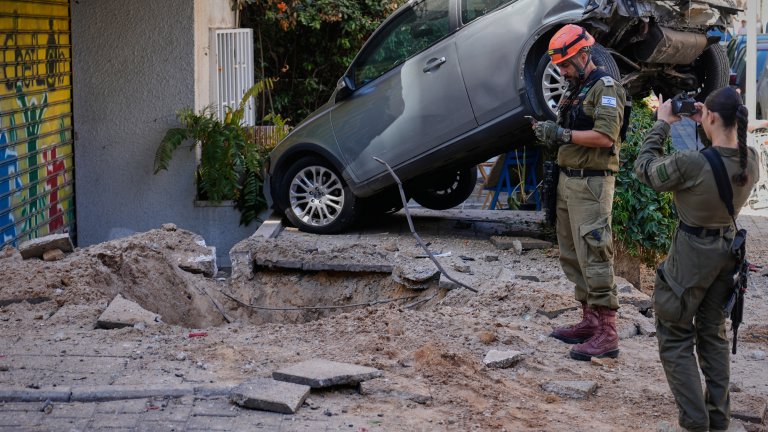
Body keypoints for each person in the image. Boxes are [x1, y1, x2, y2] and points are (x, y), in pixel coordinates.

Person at [633, 86, 759, 432]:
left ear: (712, 117)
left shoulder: (691, 164)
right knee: (713, 335)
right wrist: (707, 124)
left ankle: (695, 423)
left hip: (691, 256)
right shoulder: (750, 160)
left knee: (674, 336)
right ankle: (718, 421)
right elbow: (717, 159)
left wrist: (663, 123)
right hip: (726, 253)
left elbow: (645, 169)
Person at [532, 24, 626, 361]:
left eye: (566, 65)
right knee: (573, 254)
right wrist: (550, 132)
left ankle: (608, 333)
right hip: (567, 181)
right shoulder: (576, 89)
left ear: (584, 55)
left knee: (595, 254)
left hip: (592, 183)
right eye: (560, 66)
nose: (563, 71)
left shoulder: (606, 87)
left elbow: (606, 136)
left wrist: (562, 135)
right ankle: (590, 321)